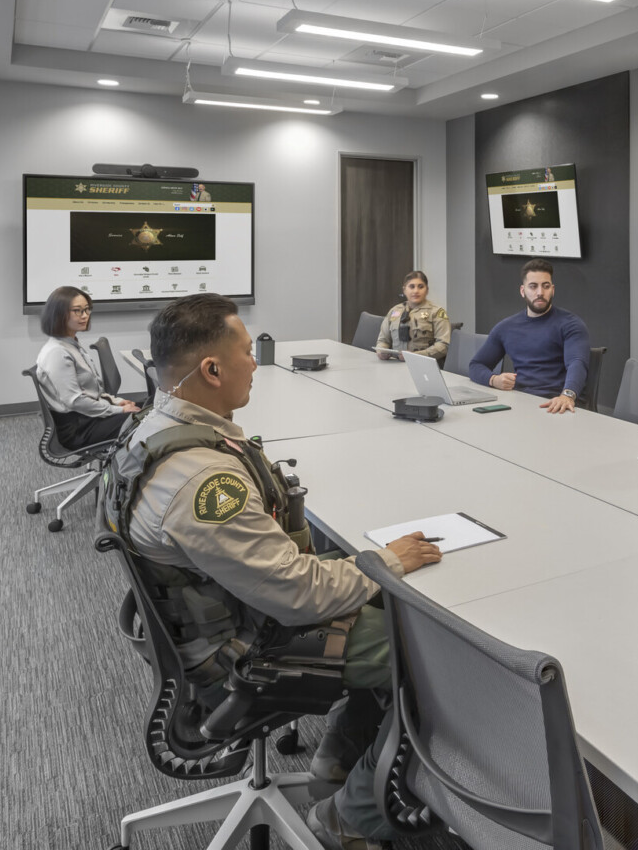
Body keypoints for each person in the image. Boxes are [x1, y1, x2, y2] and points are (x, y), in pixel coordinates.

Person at [117, 293, 442, 850]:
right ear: (211, 369)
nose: (255, 363)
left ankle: (334, 765)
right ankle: (351, 813)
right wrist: (385, 561)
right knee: (431, 655)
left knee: (387, 602)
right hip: (245, 648)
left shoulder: (152, 430)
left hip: (215, 614)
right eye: (247, 352)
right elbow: (301, 596)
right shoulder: (201, 480)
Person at [469, 259, 590, 415]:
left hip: (555, 404)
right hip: (519, 401)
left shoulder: (571, 324)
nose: (540, 292)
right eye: (533, 286)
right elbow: (476, 365)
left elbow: (577, 363)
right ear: (522, 291)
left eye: (545, 286)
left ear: (552, 290)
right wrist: (494, 380)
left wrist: (567, 395)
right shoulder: (506, 327)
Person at [35, 286, 138, 448]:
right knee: (146, 420)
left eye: (87, 310)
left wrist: (116, 402)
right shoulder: (58, 352)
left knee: (149, 406)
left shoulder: (70, 343)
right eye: (77, 311)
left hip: (87, 416)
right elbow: (75, 401)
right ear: (59, 314)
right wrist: (118, 411)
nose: (85, 316)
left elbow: (92, 391)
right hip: (78, 428)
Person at [374, 269, 451, 364]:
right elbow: (383, 340)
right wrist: (381, 350)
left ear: (427, 290)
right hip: (395, 365)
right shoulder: (395, 311)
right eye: (411, 287)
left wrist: (416, 356)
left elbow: (444, 345)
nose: (416, 291)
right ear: (404, 290)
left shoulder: (436, 312)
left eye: (421, 287)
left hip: (424, 366)